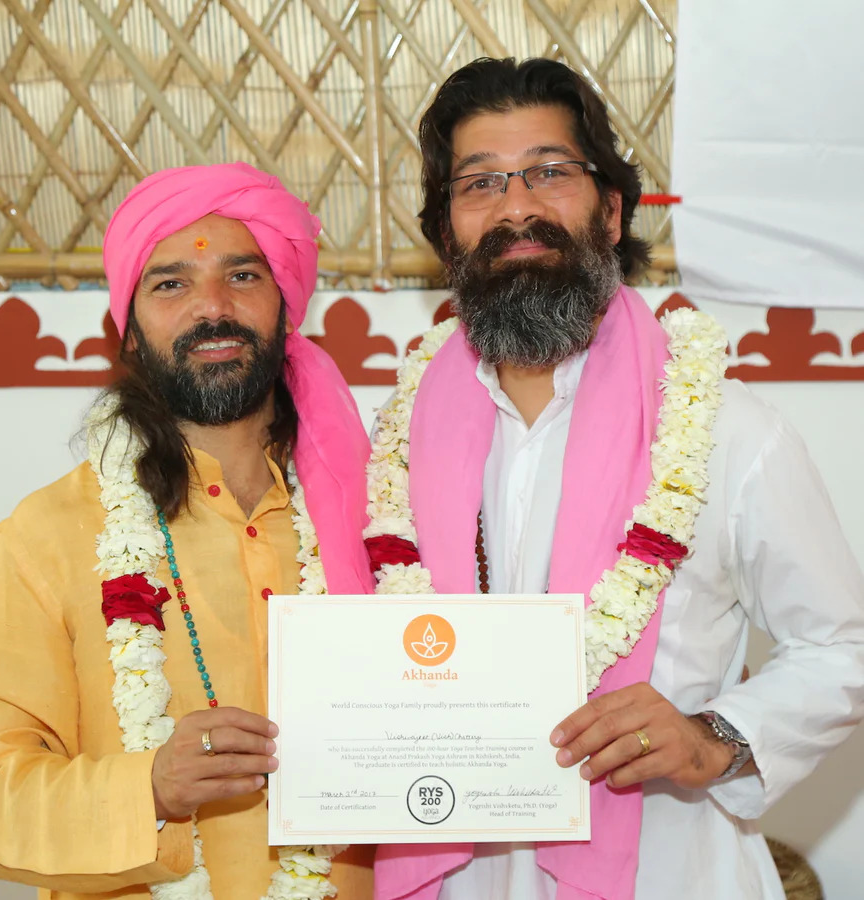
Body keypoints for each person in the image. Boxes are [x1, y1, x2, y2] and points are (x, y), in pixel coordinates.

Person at [366, 57, 864, 899]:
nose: (516, 207)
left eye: (550, 172)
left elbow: (843, 648)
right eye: (480, 183)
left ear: (611, 210)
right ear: (447, 233)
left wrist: (716, 737)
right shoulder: (394, 440)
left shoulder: (727, 431)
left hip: (669, 870)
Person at [0, 163, 374, 899]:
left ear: (286, 306)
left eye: (242, 275)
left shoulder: (380, 522)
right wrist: (149, 788)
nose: (212, 308)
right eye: (170, 284)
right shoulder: (45, 538)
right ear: (128, 326)